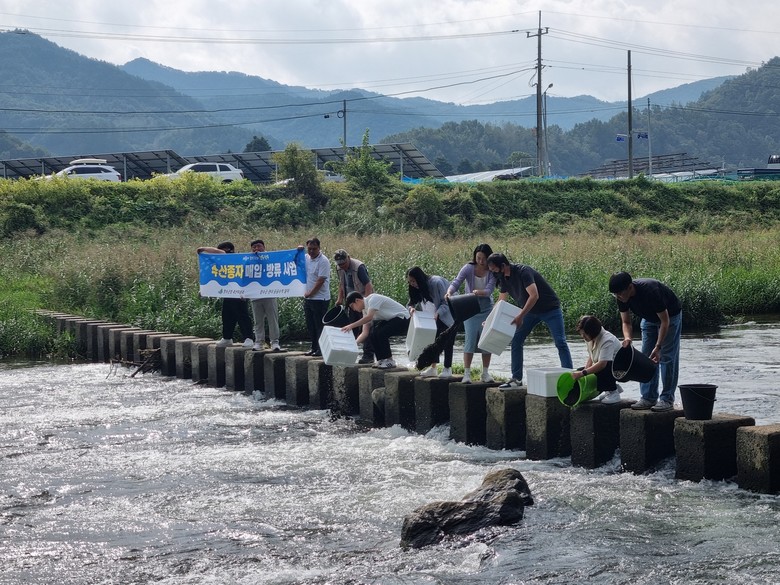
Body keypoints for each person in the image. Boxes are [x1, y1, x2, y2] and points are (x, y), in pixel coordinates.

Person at [487, 252, 572, 388]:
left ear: (503, 265)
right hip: (531, 312)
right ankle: (516, 379)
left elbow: (534, 295)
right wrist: (489, 319)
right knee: (516, 340)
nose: (493, 273)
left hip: (550, 309)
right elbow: (501, 300)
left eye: (494, 269)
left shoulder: (523, 271)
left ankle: (570, 377)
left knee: (560, 342)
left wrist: (521, 316)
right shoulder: (503, 278)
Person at [608, 271, 682, 412]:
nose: (618, 297)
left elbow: (665, 321)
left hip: (670, 317)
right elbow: (626, 322)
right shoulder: (621, 297)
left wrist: (658, 346)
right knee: (646, 357)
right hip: (648, 319)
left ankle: (667, 399)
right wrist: (628, 338)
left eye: (620, 293)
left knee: (667, 357)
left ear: (630, 287)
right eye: (615, 294)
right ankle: (648, 397)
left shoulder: (650, 291)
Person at [445, 243, 496, 384]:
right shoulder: (468, 268)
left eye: (484, 259)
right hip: (470, 307)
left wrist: (480, 292)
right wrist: (449, 292)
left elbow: (489, 290)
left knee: (486, 341)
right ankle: (467, 373)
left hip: (486, 308)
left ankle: (485, 373)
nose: (481, 261)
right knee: (470, 339)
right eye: (478, 258)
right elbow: (457, 282)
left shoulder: (492, 271)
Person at [196, 241, 254, 348]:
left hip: (239, 293)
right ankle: (227, 338)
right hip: (228, 293)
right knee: (227, 316)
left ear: (229, 250)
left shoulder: (235, 258)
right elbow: (213, 279)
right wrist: (204, 290)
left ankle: (249, 338)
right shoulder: (221, 265)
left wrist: (203, 249)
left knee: (242, 316)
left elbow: (221, 253)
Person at [406, 266, 455, 378]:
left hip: (451, 312)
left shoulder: (436, 283)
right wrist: (411, 308)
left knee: (448, 341)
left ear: (419, 278)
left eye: (413, 281)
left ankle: (447, 368)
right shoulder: (417, 287)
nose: (412, 284)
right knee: (433, 340)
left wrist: (438, 312)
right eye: (410, 282)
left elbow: (447, 301)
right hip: (435, 315)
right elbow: (410, 302)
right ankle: (433, 368)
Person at [342, 291, 410, 369]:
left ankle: (390, 360)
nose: (353, 309)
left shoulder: (373, 299)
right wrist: (353, 344)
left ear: (357, 300)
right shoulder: (365, 311)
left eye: (352, 306)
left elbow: (369, 317)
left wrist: (351, 326)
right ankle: (381, 360)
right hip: (392, 320)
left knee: (381, 333)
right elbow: (365, 333)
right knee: (373, 334)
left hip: (403, 318)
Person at [334, 249, 375, 364]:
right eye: (340, 264)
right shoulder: (339, 268)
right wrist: (340, 298)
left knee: (366, 328)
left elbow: (368, 285)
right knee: (351, 328)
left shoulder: (358, 267)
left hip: (362, 300)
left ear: (348, 257)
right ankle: (350, 354)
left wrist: (366, 302)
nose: (342, 266)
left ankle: (368, 356)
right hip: (351, 303)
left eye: (344, 263)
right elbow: (341, 283)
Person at [571, 315, 623, 403]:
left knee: (600, 368)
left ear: (592, 332)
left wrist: (582, 373)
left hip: (620, 369)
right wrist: (584, 370)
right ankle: (609, 389)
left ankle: (613, 392)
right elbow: (591, 355)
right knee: (580, 370)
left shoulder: (607, 340)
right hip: (607, 365)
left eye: (584, 334)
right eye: (581, 334)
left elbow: (602, 364)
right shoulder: (590, 338)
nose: (582, 336)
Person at [249, 239, 281, 352]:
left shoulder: (271, 259)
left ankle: (275, 342)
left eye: (259, 246)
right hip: (255, 295)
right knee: (258, 321)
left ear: (264, 247)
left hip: (269, 294)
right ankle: (259, 342)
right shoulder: (248, 261)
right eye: (254, 247)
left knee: (273, 319)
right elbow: (244, 278)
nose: (257, 249)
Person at [302, 237, 331, 357]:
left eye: (314, 249)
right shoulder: (306, 257)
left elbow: (320, 281)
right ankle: (313, 347)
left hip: (320, 298)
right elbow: (293, 262)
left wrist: (311, 293)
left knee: (319, 325)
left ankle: (321, 349)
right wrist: (298, 251)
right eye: (309, 249)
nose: (312, 251)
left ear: (319, 248)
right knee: (310, 325)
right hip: (308, 299)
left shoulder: (323, 261)